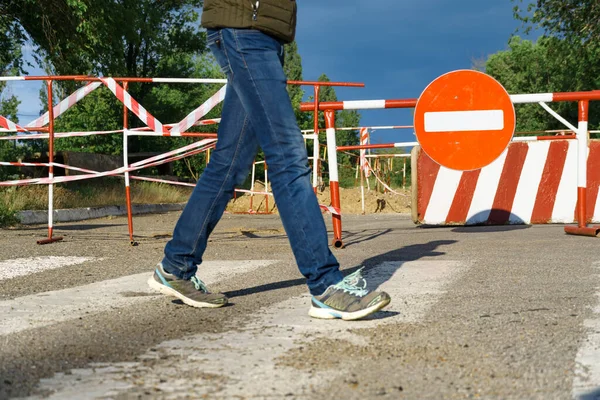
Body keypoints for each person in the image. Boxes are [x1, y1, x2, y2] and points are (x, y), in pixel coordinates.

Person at [147, 0, 391, 321]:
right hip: (245, 31)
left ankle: (176, 265)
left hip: (260, 35)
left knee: (229, 162)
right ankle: (326, 285)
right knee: (288, 156)